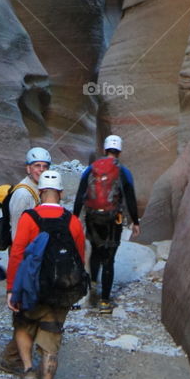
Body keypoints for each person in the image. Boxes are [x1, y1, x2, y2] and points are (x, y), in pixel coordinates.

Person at [6, 168, 86, 379]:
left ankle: (28, 367)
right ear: (61, 193)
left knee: (22, 326)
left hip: (32, 290)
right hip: (60, 293)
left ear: (40, 193)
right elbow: (80, 257)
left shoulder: (29, 219)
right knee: (51, 347)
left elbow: (17, 254)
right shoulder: (72, 221)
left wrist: (11, 289)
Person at [0, 146, 52, 372]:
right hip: (24, 260)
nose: (41, 170)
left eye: (45, 166)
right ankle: (13, 358)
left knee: (30, 307)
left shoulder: (37, 189)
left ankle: (21, 354)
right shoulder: (22, 194)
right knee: (24, 308)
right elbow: (17, 236)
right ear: (28, 167)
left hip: (33, 259)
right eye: (37, 166)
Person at [73, 134, 140, 313]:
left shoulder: (91, 169)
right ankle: (104, 302)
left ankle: (94, 283)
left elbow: (81, 194)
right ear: (119, 150)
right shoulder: (123, 171)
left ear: (104, 149)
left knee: (95, 249)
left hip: (92, 217)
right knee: (109, 259)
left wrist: (74, 217)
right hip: (113, 219)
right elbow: (130, 197)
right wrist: (134, 220)